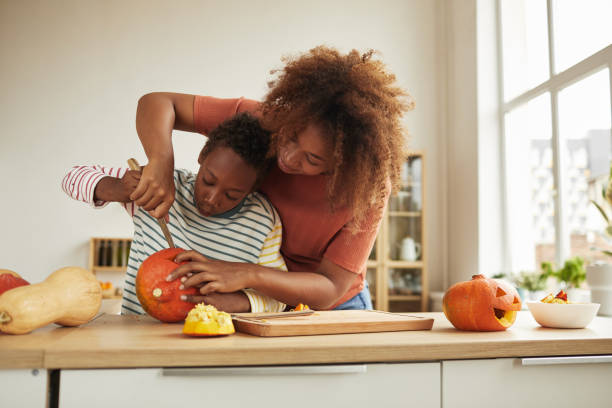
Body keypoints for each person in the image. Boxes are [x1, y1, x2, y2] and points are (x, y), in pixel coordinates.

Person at [132, 45, 412, 310]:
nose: (289, 157)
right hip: (248, 294)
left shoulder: (365, 190)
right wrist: (161, 162)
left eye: (312, 159)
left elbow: (330, 288)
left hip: (331, 307)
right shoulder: (260, 120)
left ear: (342, 162)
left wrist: (248, 275)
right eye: (289, 137)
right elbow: (158, 102)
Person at [62, 113, 288, 314]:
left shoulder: (262, 221)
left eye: (232, 195)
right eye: (208, 181)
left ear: (253, 187)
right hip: (139, 338)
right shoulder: (162, 187)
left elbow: (280, 297)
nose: (212, 198)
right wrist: (118, 188)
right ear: (202, 156)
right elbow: (72, 179)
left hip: (213, 343)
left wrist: (240, 302)